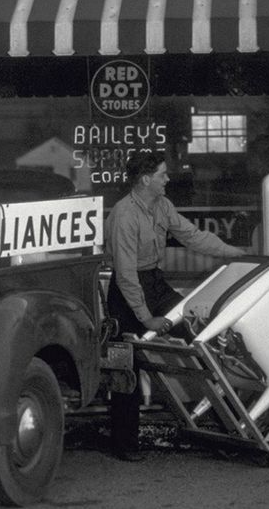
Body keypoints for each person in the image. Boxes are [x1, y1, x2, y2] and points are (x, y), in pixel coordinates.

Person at [105, 151, 247, 461]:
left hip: (155, 282)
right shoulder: (124, 215)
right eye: (162, 174)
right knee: (126, 367)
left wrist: (233, 252)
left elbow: (193, 237)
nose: (168, 179)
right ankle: (124, 445)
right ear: (146, 180)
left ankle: (227, 427)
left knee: (199, 336)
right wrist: (146, 318)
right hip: (128, 291)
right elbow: (127, 275)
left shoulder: (162, 206)